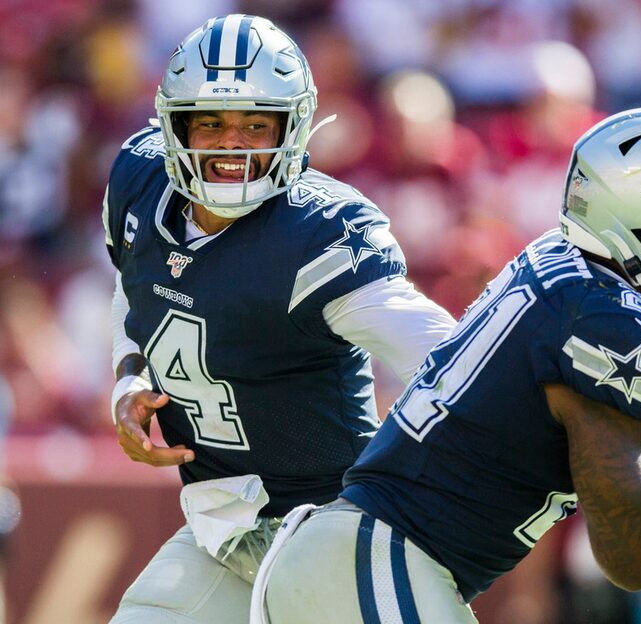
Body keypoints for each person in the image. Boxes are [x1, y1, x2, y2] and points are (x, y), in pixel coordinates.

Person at [253, 107, 641, 623]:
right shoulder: (607, 324)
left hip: (358, 559)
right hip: (379, 564)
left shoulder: (567, 267)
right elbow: (638, 560)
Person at [103, 14, 456, 623]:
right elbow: (130, 283)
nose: (232, 143)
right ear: (174, 124)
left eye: (255, 123)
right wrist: (130, 373)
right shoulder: (140, 182)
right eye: (210, 122)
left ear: (292, 126)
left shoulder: (316, 236)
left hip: (334, 532)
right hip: (225, 531)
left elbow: (453, 360)